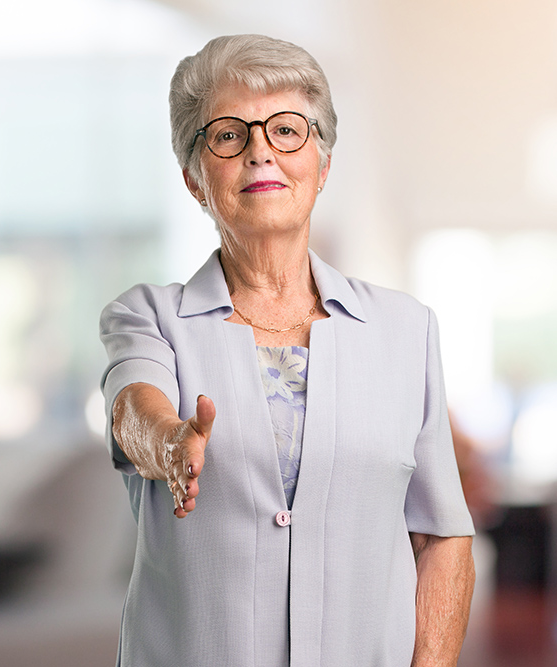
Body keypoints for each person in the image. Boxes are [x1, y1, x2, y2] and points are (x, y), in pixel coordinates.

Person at [100, 34, 475, 666]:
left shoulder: (406, 330)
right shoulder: (148, 315)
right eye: (228, 135)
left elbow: (441, 535)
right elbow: (135, 405)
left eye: (287, 131)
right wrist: (167, 442)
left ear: (322, 167)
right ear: (194, 178)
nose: (259, 153)